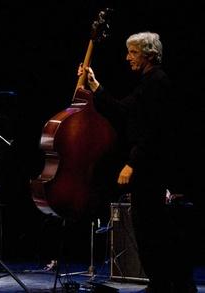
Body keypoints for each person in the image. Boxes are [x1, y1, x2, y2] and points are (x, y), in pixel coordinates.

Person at [79, 32, 196, 292]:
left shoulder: (158, 83)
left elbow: (153, 131)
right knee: (150, 226)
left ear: (149, 55)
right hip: (149, 165)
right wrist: (95, 86)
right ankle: (165, 282)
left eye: (133, 52)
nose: (127, 57)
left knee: (153, 227)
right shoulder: (147, 83)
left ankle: (171, 283)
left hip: (151, 166)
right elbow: (122, 111)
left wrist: (132, 163)